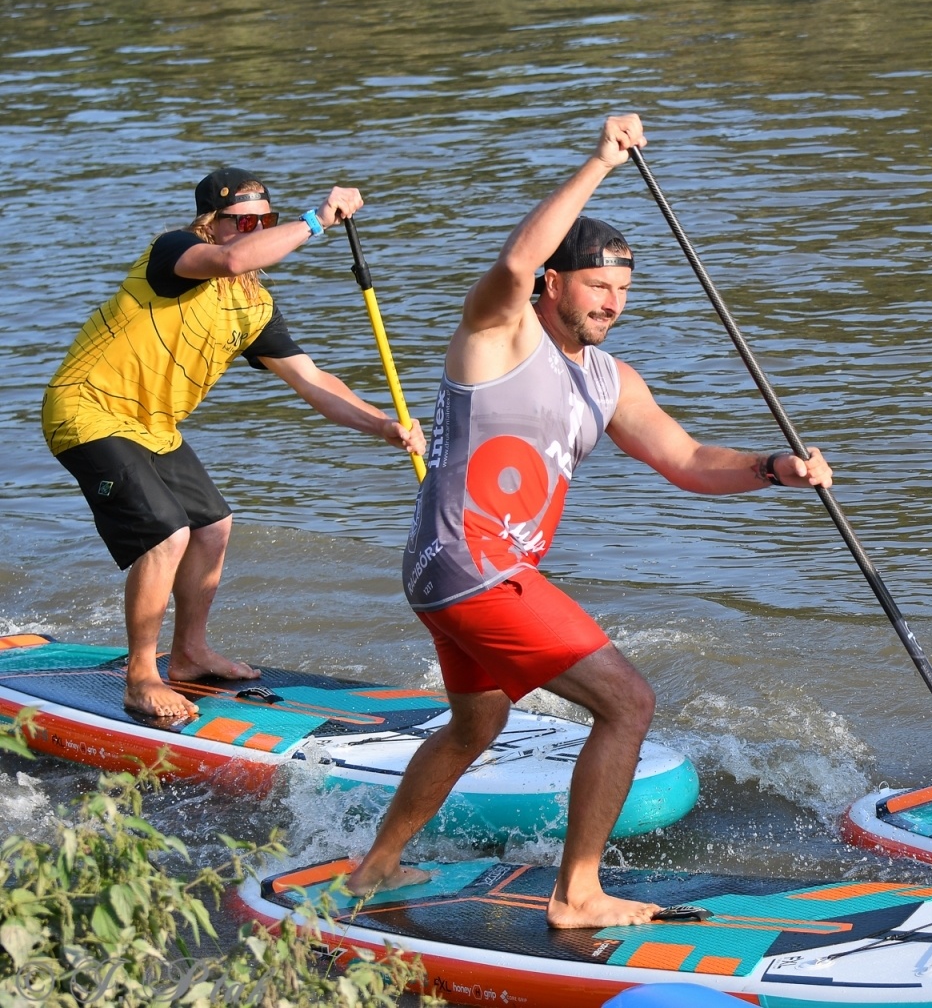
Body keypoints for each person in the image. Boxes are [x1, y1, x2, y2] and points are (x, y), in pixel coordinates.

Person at [345, 114, 832, 927]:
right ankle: (577, 893)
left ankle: (377, 865)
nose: (614, 302)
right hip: (474, 565)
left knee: (476, 723)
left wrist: (775, 469)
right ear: (553, 285)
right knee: (627, 702)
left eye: (624, 290)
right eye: (599, 286)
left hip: (448, 573)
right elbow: (513, 261)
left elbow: (685, 460)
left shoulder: (611, 380)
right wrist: (601, 162)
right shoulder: (498, 335)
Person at [41, 170, 426, 721]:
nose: (256, 230)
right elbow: (230, 260)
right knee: (168, 534)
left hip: (153, 426)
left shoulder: (253, 307)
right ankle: (141, 677)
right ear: (209, 223)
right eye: (244, 222)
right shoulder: (175, 253)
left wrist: (382, 424)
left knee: (213, 526)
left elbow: (313, 381)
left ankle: (190, 652)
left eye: (265, 221)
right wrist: (317, 220)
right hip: (86, 409)